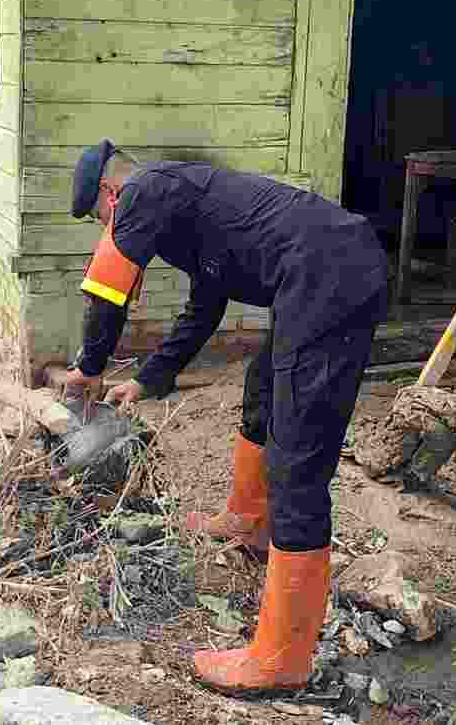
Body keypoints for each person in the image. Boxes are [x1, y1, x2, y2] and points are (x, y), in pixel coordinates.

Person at [63, 143, 387, 694]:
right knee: (263, 394)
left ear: (110, 195)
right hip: (316, 276)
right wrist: (146, 379)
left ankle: (283, 659)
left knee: (298, 460)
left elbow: (105, 291)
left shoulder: (144, 191)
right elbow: (204, 310)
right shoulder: (189, 209)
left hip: (329, 273)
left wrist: (88, 368)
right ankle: (249, 521)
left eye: (101, 220)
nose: (109, 230)